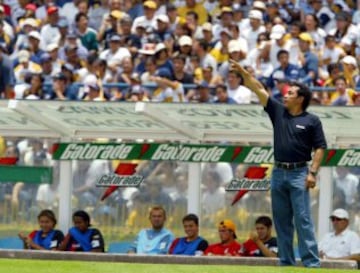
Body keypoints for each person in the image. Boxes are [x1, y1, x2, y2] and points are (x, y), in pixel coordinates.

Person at [229, 59, 327, 267]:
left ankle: (311, 264)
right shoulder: (278, 112)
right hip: (278, 172)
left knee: (302, 219)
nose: (285, 94)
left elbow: (320, 148)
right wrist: (244, 73)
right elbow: (258, 88)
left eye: (290, 93)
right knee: (281, 221)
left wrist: (313, 173)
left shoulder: (312, 121)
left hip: (300, 173)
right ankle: (286, 262)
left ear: (300, 99)